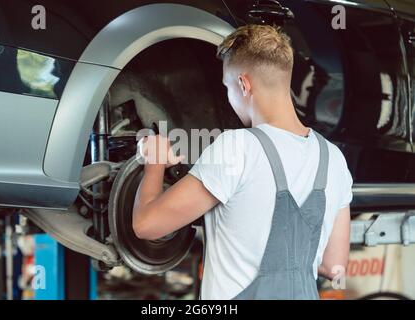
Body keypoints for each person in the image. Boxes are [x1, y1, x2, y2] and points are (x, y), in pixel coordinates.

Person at [132, 24, 353, 300]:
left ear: (244, 84)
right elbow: (334, 266)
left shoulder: (238, 146)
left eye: (227, 86)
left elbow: (147, 225)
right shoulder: (333, 158)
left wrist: (154, 163)